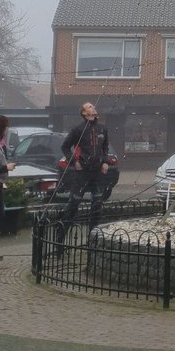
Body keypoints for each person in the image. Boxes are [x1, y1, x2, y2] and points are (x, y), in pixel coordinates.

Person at [56, 102, 110, 249]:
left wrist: (105, 162)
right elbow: (65, 147)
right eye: (89, 107)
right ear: (84, 113)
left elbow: (105, 147)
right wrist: (74, 161)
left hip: (97, 172)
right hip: (82, 173)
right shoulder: (78, 129)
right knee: (74, 204)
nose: (93, 107)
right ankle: (59, 241)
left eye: (93, 106)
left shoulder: (102, 128)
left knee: (97, 205)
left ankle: (93, 242)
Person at [0, 115, 15, 239]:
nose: (6, 131)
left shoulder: (0, 143)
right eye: (5, 128)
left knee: (0, 215)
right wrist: (6, 168)